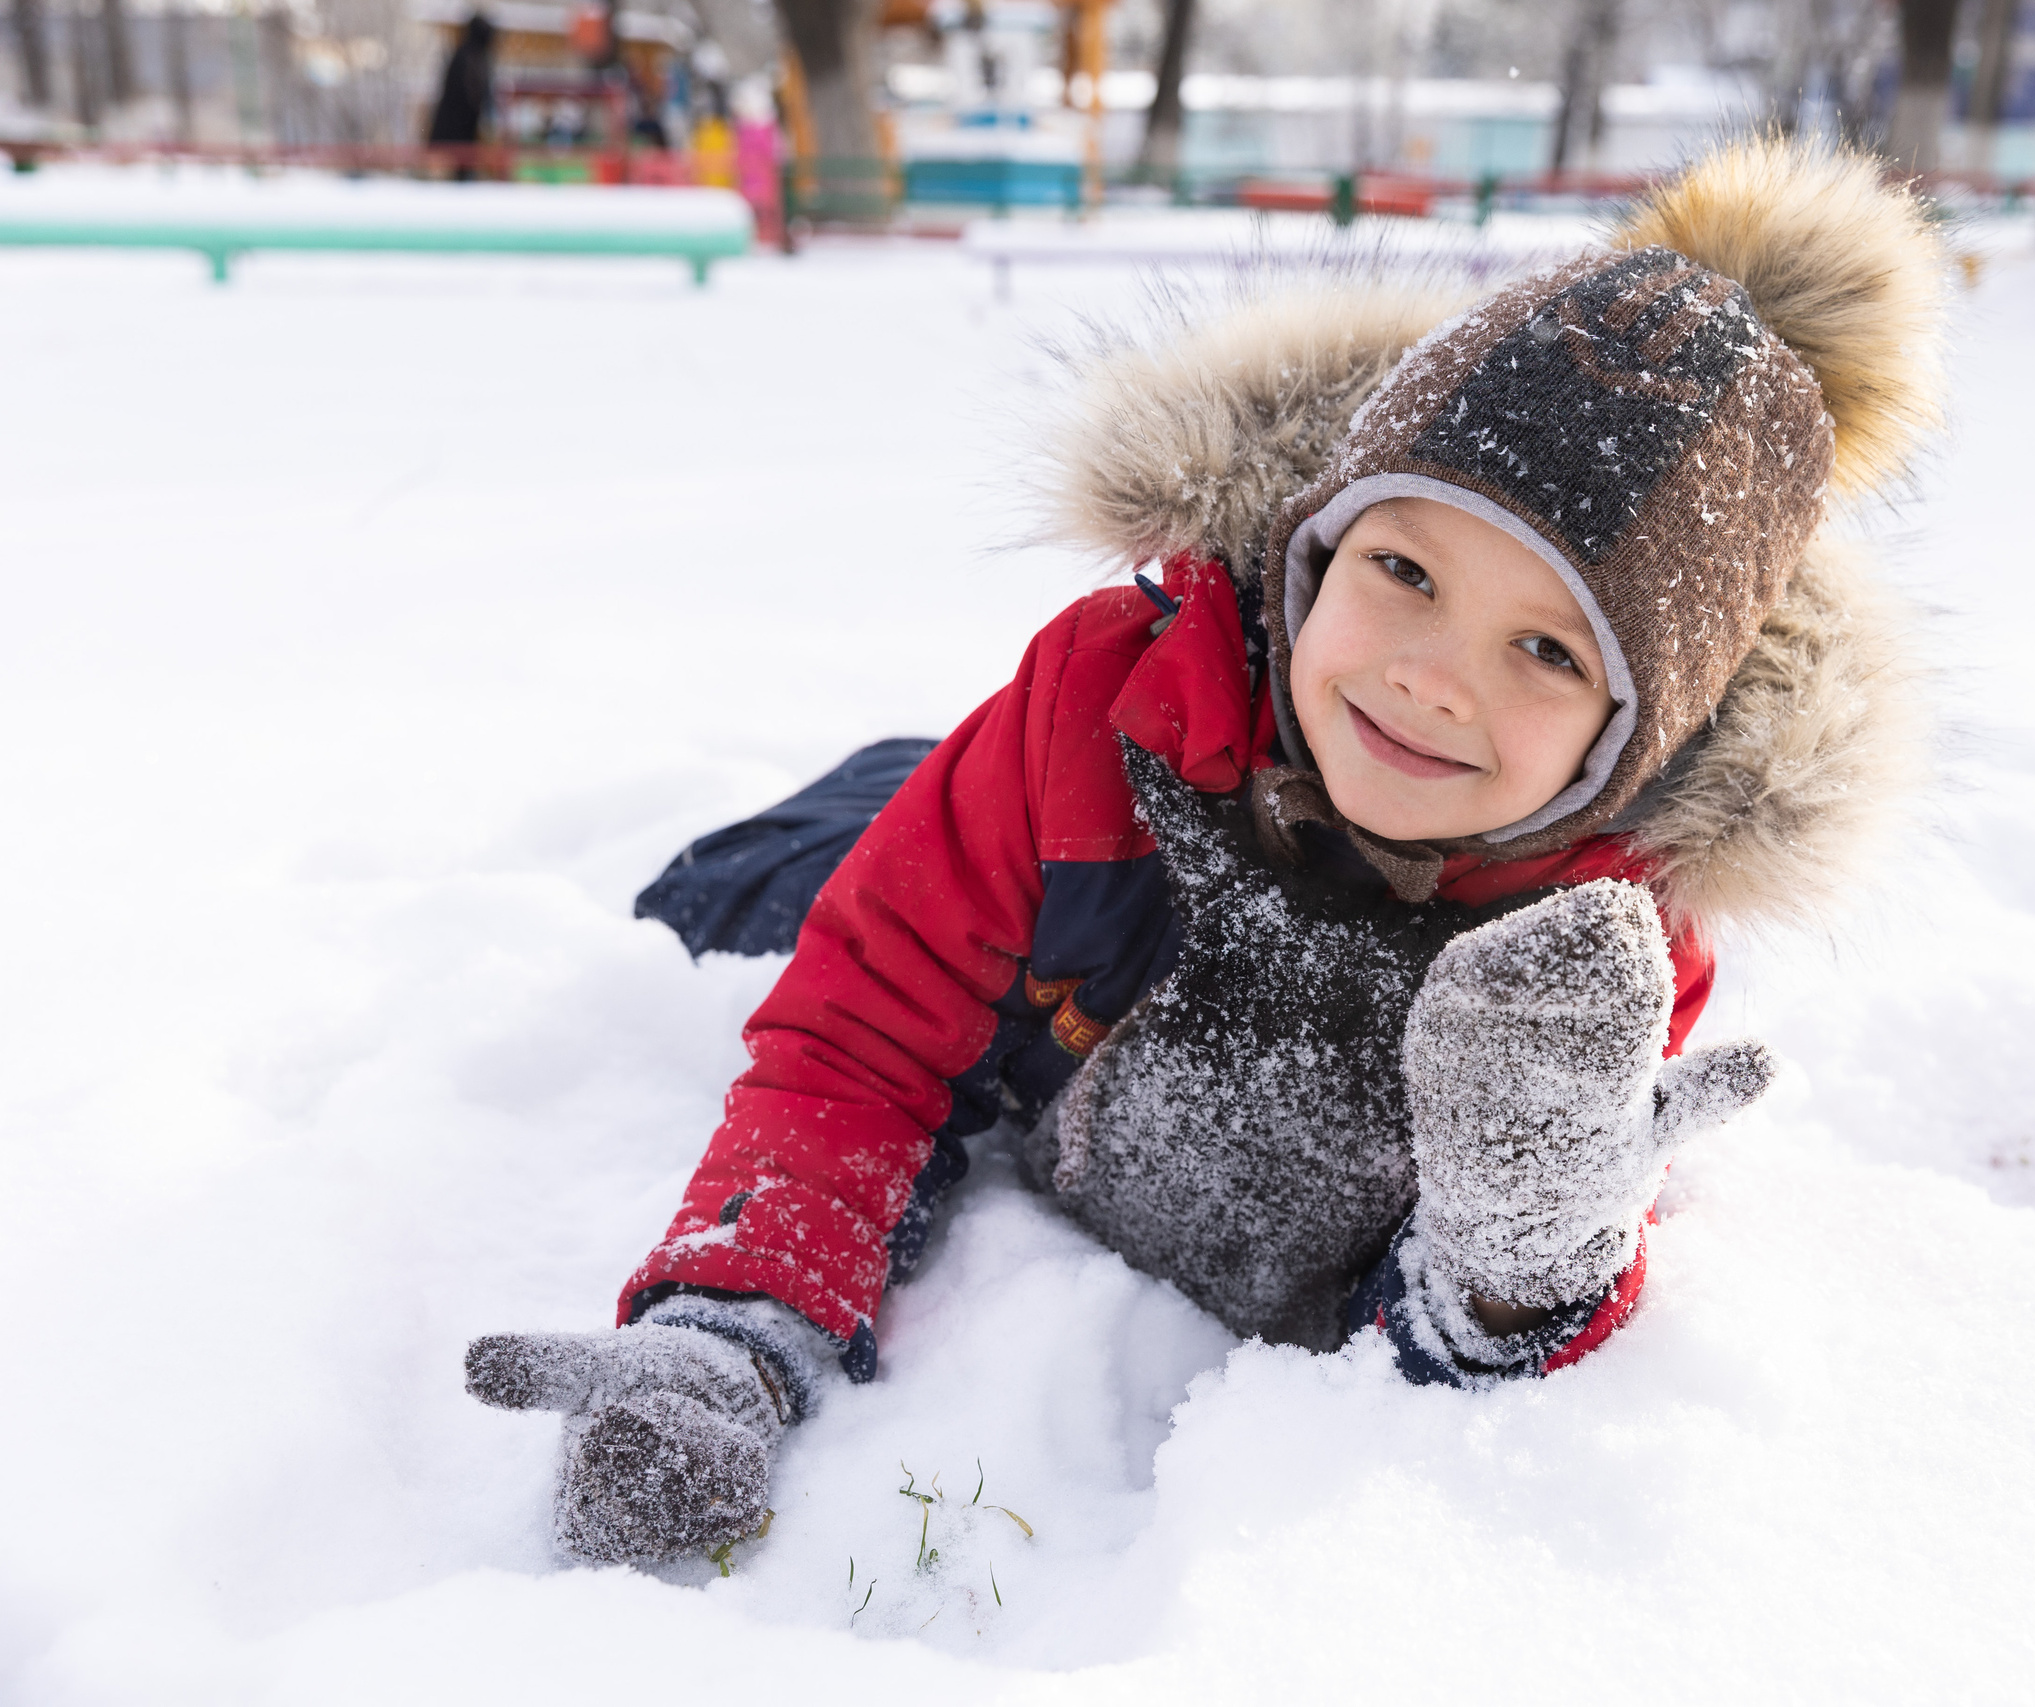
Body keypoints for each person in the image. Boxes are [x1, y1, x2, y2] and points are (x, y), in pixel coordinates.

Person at [464, 139, 1948, 1567]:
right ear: (1312, 548)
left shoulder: (1604, 937)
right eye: (1406, 569)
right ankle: (862, 802)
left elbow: (1475, 1315)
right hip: (990, 888)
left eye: (1546, 648)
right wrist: (734, 1321)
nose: (1434, 676)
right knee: (742, 891)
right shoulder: (1109, 706)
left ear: (1636, 735)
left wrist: (1528, 1243)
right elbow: (861, 1030)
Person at [425, 12, 498, 179]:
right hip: (458, 131)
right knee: (451, 171)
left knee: (458, 171)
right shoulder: (470, 58)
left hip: (460, 130)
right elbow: (472, 96)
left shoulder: (470, 56)